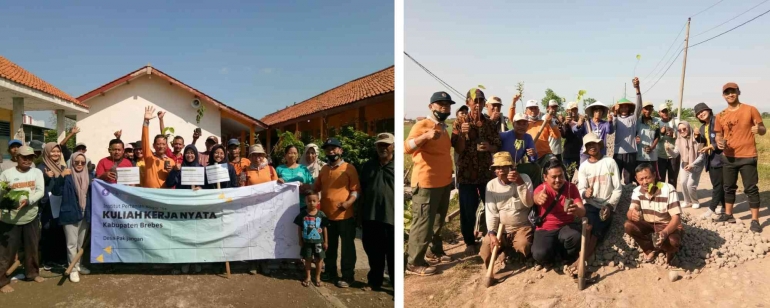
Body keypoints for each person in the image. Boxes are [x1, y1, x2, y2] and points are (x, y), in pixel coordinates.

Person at [405, 91, 455, 276]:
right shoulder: (422, 125)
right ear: (431, 106)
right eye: (440, 104)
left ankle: (434, 250)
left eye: (447, 105)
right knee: (423, 223)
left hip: (443, 182)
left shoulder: (443, 127)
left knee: (437, 221)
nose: (444, 107)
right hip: (426, 183)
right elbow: (406, 147)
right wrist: (425, 137)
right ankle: (414, 263)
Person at [452, 88, 501, 255]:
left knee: (491, 206)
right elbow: (458, 149)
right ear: (468, 103)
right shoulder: (460, 123)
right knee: (467, 209)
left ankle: (491, 237)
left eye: (481, 101)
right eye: (475, 101)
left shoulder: (489, 123)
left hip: (486, 173)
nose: (478, 104)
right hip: (467, 174)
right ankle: (469, 242)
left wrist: (490, 147)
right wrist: (462, 136)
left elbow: (497, 145)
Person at [714, 82, 766, 232]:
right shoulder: (720, 115)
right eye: (727, 92)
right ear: (723, 96)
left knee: (751, 188)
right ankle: (728, 214)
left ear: (738, 92)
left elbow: (763, 129)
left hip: (748, 156)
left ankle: (755, 220)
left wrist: (759, 129)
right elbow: (718, 134)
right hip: (728, 157)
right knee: (728, 187)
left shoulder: (750, 110)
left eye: (733, 91)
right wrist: (719, 141)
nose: (730, 94)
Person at [314, 138, 359, 288]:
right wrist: (297, 186)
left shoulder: (349, 168)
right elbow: (316, 188)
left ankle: (347, 276)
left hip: (345, 217)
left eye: (334, 148)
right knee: (329, 246)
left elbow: (356, 190)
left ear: (341, 150)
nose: (330, 151)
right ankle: (330, 272)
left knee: (347, 248)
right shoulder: (324, 169)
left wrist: (348, 203)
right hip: (326, 216)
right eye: (327, 149)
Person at [0, 146, 45, 293]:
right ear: (16, 158)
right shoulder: (6, 174)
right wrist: (4, 191)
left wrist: (29, 201)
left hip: (30, 217)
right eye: (24, 157)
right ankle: (2, 281)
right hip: (10, 220)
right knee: (7, 252)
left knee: (32, 248)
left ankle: (32, 273)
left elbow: (40, 191)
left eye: (30, 157)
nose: (27, 160)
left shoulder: (37, 172)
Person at [480, 152, 534, 268]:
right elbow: (491, 212)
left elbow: (529, 203)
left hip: (522, 227)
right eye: (497, 168)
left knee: (523, 246)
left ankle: (515, 254)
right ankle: (503, 250)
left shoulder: (524, 178)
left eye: (504, 167)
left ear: (512, 168)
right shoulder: (491, 185)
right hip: (502, 230)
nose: (501, 170)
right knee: (486, 249)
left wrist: (519, 183)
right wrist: (492, 233)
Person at [531, 159, 585, 274]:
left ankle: (564, 257)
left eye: (560, 176)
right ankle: (551, 257)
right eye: (553, 177)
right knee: (539, 254)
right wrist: (537, 198)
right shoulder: (542, 189)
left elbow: (582, 211)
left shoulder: (571, 188)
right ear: (545, 177)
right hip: (545, 229)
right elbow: (535, 197)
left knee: (575, 237)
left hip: (565, 227)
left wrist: (577, 210)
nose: (558, 180)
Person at [577, 134, 621, 266]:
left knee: (598, 226)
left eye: (594, 144)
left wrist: (609, 205)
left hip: (607, 205)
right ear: (586, 149)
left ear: (599, 145)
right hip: (591, 204)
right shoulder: (584, 167)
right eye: (589, 145)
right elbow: (581, 189)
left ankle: (581, 261)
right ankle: (583, 259)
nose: (592, 147)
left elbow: (618, 189)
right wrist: (585, 193)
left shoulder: (610, 162)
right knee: (589, 226)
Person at [625, 163, 683, 264]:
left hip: (667, 225)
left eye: (647, 178)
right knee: (628, 225)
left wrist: (664, 233)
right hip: (649, 224)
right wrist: (632, 214)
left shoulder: (668, 189)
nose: (644, 182)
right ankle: (649, 249)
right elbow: (632, 209)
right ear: (636, 179)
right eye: (641, 179)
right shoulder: (637, 191)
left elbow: (676, 218)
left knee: (673, 242)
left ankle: (669, 249)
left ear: (655, 175)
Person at [359, 133, 394, 291]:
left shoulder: (397, 166)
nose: (383, 148)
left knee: (393, 254)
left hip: (391, 218)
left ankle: (395, 286)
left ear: (393, 146)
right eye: (380, 145)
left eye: (386, 145)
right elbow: (361, 190)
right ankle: (375, 282)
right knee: (374, 253)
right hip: (371, 217)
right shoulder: (368, 166)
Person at [163, 145, 204, 274]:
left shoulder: (201, 169)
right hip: (182, 207)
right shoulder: (180, 168)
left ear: (196, 155)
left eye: (192, 153)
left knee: (197, 235)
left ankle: (196, 261)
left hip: (198, 207)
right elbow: (170, 183)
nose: (190, 155)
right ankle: (184, 261)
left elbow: (209, 187)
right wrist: (174, 171)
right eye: (187, 153)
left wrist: (202, 189)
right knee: (183, 235)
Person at [59, 152, 90, 282]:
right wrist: (60, 177)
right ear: (71, 162)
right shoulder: (67, 176)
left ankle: (78, 264)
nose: (79, 164)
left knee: (80, 242)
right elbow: (56, 191)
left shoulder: (89, 175)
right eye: (76, 162)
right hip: (70, 213)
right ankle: (72, 268)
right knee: (71, 243)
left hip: (85, 213)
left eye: (82, 162)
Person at [38, 142, 68, 269]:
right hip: (47, 204)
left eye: (58, 151)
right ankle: (48, 260)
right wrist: (45, 177)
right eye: (53, 151)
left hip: (60, 203)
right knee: (48, 230)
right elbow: (36, 185)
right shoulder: (40, 167)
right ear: (47, 152)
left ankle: (60, 258)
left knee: (60, 230)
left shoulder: (62, 167)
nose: (56, 154)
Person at [693, 103, 725, 219]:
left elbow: (724, 138)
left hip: (720, 159)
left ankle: (711, 209)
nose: (701, 114)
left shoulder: (717, 121)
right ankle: (725, 206)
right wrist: (697, 136)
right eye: (698, 114)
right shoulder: (703, 127)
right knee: (718, 184)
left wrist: (712, 146)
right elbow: (703, 141)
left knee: (718, 185)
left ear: (708, 110)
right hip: (710, 159)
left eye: (702, 111)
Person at [612, 77, 643, 185]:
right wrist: (615, 114)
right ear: (618, 109)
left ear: (629, 108)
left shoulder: (633, 118)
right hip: (617, 152)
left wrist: (637, 88)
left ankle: (628, 199)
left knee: (629, 179)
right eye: (621, 107)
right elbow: (612, 127)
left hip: (630, 152)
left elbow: (639, 107)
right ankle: (618, 198)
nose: (624, 109)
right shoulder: (615, 118)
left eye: (626, 107)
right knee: (616, 178)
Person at [294, 192, 328, 288]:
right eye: (309, 201)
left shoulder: (321, 214)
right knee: (307, 259)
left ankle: (317, 277)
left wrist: (326, 241)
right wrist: (300, 239)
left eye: (314, 201)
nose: (311, 203)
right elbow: (299, 228)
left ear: (318, 202)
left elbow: (325, 228)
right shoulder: (302, 214)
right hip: (307, 242)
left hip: (319, 242)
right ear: (305, 201)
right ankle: (308, 277)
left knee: (319, 259)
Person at [140, 106, 176, 188]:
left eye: (163, 144)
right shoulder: (149, 157)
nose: (161, 146)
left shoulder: (171, 161)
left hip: (165, 197)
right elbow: (145, 140)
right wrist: (146, 121)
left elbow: (173, 182)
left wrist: (171, 172)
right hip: (149, 196)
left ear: (167, 146)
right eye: (158, 144)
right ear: (154, 145)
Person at [672, 122, 705, 209]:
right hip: (684, 163)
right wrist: (668, 150)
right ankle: (687, 201)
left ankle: (695, 201)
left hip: (697, 164)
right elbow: (675, 154)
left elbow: (702, 156)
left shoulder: (698, 138)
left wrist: (692, 164)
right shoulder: (678, 140)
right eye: (680, 130)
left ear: (688, 127)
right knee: (683, 183)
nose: (682, 131)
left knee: (690, 185)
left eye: (684, 129)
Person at [522, 99, 560, 167]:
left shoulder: (544, 122)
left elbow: (557, 136)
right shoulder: (524, 124)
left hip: (546, 155)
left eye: (535, 108)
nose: (533, 110)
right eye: (531, 108)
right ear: (526, 110)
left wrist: (551, 122)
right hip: (530, 156)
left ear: (538, 110)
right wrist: (513, 102)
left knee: (554, 164)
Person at [636, 101, 660, 181]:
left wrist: (652, 147)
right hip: (640, 155)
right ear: (642, 110)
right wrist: (635, 138)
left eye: (650, 109)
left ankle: (653, 193)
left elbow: (657, 136)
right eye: (646, 109)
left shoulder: (656, 121)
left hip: (652, 156)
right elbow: (633, 134)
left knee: (652, 177)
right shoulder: (637, 122)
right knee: (641, 177)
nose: (648, 111)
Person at [656, 104, 679, 188]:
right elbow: (655, 139)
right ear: (659, 113)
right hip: (661, 155)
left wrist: (674, 134)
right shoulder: (657, 123)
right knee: (660, 178)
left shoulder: (676, 122)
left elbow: (682, 135)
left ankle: (672, 196)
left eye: (666, 111)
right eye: (663, 111)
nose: (665, 113)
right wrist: (661, 134)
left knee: (672, 178)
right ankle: (661, 196)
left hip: (673, 155)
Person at [561, 102, 586, 176]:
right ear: (567, 111)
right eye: (571, 110)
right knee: (568, 177)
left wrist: (582, 121)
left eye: (575, 109)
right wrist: (566, 124)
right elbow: (564, 135)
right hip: (569, 154)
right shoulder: (564, 122)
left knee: (584, 176)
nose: (573, 112)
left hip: (580, 153)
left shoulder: (582, 120)